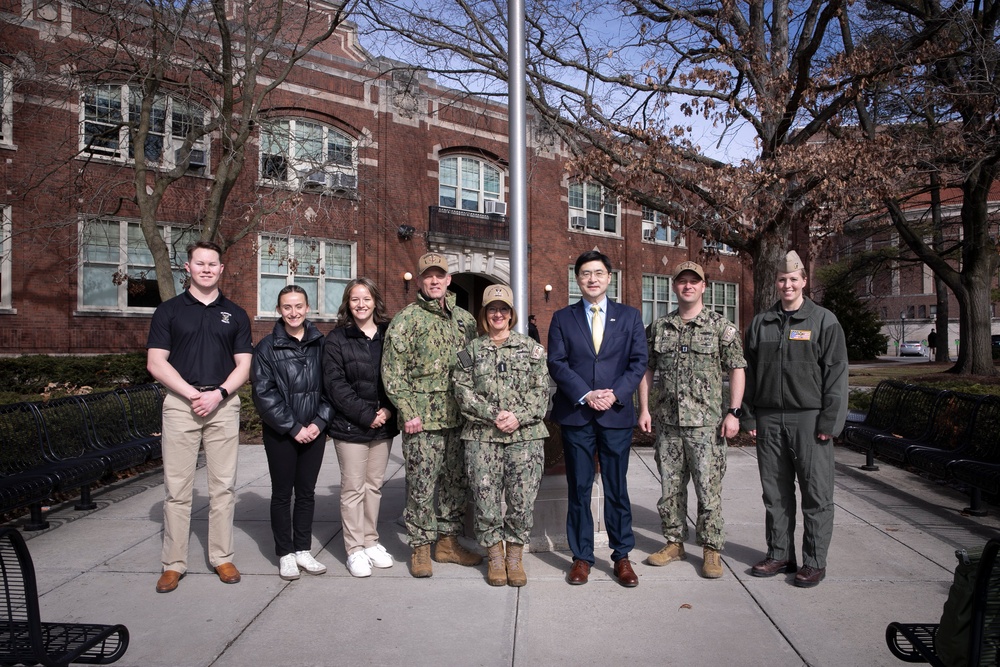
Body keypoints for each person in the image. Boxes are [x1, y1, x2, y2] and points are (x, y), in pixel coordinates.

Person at [146, 241, 252, 594]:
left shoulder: (235, 314)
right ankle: (173, 563)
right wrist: (193, 394)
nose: (206, 269)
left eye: (212, 264)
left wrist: (218, 394)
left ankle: (221, 556)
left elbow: (244, 366)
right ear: (187, 268)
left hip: (222, 405)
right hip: (181, 404)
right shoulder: (169, 311)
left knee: (223, 487)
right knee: (177, 489)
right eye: (200, 263)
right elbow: (156, 363)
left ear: (221, 269)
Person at [742, 250, 849, 588]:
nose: (787, 284)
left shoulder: (823, 321)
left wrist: (829, 422)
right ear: (776, 283)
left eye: (793, 279)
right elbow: (748, 372)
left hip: (810, 419)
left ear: (804, 281)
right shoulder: (761, 323)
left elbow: (836, 375)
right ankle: (780, 554)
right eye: (782, 279)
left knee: (816, 494)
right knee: (775, 492)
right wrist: (748, 415)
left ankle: (814, 561)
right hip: (769, 418)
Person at [637, 261, 746, 579]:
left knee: (708, 490)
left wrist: (734, 411)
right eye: (682, 281)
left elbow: (736, 368)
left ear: (703, 287)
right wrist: (644, 409)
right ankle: (674, 542)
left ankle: (711, 549)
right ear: (674, 287)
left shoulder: (719, 327)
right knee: (670, 489)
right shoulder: (659, 327)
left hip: (706, 426)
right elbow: (647, 369)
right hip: (669, 424)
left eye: (693, 281)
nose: (687, 286)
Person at [547, 250, 648, 587]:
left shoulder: (630, 316)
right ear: (577, 280)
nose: (592, 279)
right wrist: (587, 394)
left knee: (616, 489)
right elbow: (557, 363)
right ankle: (582, 557)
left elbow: (638, 362)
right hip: (577, 414)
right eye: (585, 273)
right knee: (578, 488)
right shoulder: (562, 318)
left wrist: (615, 394)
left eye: (598, 273)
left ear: (609, 277)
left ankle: (622, 556)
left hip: (615, 416)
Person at [382, 252, 481, 577]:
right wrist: (408, 411)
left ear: (449, 279)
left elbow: (471, 367)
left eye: (440, 275)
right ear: (421, 280)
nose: (435, 281)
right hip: (421, 422)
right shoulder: (406, 320)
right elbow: (393, 371)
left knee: (455, 483)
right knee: (422, 486)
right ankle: (420, 548)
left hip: (458, 419)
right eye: (428, 276)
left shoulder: (465, 321)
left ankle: (447, 543)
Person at [452, 285, 549, 587]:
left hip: (525, 438)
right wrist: (495, 414)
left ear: (511, 314)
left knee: (521, 501)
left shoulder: (531, 350)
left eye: (503, 309)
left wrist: (517, 416)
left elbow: (542, 391)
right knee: (485, 501)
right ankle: (495, 556)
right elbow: (462, 392)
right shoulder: (471, 352)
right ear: (484, 314)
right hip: (482, 438)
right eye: (492, 309)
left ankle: (514, 557)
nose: (498, 314)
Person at [251, 285, 331, 582]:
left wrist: (319, 423)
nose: (293, 312)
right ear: (279, 310)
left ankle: (302, 549)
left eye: (299, 306)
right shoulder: (266, 348)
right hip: (282, 433)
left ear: (307, 308)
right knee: (283, 493)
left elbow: (331, 388)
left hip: (314, 430)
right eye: (287, 307)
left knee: (307, 493)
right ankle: (285, 553)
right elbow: (263, 393)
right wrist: (293, 427)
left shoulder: (321, 344)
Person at [323, 278, 400, 578]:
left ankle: (370, 541)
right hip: (350, 426)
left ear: (375, 301)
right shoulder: (337, 339)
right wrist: (367, 414)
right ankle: (354, 548)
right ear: (347, 303)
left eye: (366, 298)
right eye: (355, 299)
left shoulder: (388, 335)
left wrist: (389, 409)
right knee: (353, 488)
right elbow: (335, 385)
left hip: (383, 425)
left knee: (374, 487)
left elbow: (396, 374)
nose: (361, 304)